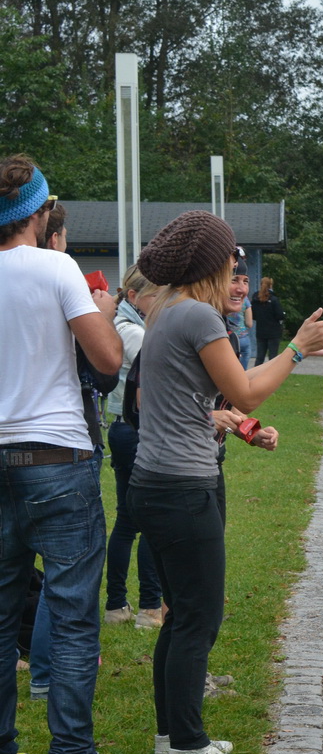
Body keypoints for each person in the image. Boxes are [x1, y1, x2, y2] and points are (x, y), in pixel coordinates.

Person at [129, 210, 323, 754]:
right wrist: (298, 348)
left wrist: (232, 426)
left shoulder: (164, 310)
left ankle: (172, 736)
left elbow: (190, 404)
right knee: (198, 616)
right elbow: (248, 392)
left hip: (157, 482)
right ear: (212, 262)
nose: (237, 266)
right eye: (231, 257)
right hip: (183, 486)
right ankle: (187, 746)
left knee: (183, 615)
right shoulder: (198, 316)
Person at [0, 155, 128, 754]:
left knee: (0, 613)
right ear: (42, 213)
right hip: (56, 454)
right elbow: (105, 361)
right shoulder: (58, 268)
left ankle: (2, 749)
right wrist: (103, 311)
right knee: (74, 611)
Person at [105, 264, 165, 629]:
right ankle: (147, 608)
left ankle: (116, 606)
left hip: (124, 429)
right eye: (156, 295)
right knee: (148, 521)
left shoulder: (128, 325)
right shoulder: (131, 331)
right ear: (133, 297)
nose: (162, 302)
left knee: (127, 521)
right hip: (135, 430)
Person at [252, 276, 285, 366]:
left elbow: (253, 315)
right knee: (272, 356)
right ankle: (271, 376)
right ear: (271, 285)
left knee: (260, 357)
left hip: (260, 330)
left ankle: (256, 374)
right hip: (273, 332)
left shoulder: (255, 299)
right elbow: (280, 315)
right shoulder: (274, 299)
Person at [225, 264, 254, 367]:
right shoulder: (245, 301)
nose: (242, 289)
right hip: (242, 338)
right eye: (233, 280)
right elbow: (249, 323)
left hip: (230, 338)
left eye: (245, 281)